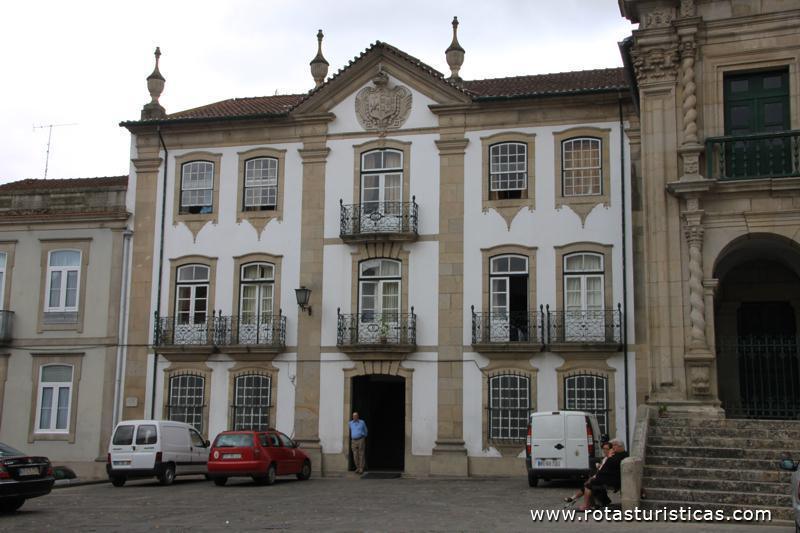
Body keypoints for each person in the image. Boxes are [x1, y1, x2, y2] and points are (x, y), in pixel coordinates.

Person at [578, 439, 628, 510]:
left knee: (589, 485)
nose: (612, 448)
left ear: (618, 446)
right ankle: (595, 504)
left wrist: (609, 457)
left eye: (612, 446)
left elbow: (607, 466)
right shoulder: (622, 454)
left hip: (613, 481)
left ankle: (586, 506)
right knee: (592, 481)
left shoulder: (616, 456)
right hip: (613, 478)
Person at [564, 441, 613, 505]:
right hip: (600, 476)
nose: (604, 450)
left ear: (610, 449)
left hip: (604, 478)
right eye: (603, 449)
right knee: (588, 483)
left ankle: (574, 498)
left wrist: (593, 476)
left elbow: (603, 471)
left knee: (589, 484)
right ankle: (574, 498)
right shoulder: (605, 458)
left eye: (606, 449)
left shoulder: (609, 458)